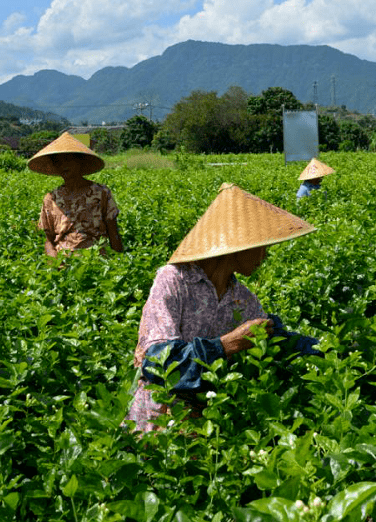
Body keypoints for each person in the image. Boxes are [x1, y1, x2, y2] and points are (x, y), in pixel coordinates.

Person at [126, 183, 320, 434]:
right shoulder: (174, 281)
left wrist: (329, 349)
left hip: (212, 419)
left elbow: (278, 342)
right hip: (161, 422)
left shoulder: (242, 298)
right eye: (262, 246)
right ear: (238, 245)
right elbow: (157, 363)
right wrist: (228, 344)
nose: (265, 255)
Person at [28, 131, 123, 257]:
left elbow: (113, 234)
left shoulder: (101, 193)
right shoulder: (51, 199)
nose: (63, 166)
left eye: (67, 160)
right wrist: (53, 261)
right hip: (63, 262)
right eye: (58, 162)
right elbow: (48, 240)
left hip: (97, 261)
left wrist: (119, 263)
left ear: (80, 162)